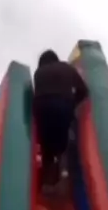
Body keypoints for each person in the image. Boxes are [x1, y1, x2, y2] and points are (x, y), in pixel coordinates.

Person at [33, 49, 89, 186]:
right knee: (64, 142)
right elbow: (83, 90)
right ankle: (64, 174)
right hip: (62, 106)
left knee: (46, 146)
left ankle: (47, 180)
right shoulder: (67, 68)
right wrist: (73, 103)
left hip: (41, 109)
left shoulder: (38, 73)